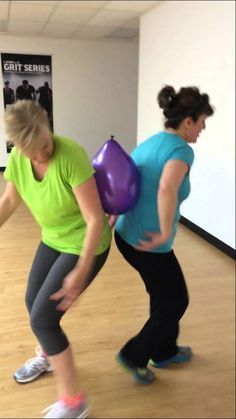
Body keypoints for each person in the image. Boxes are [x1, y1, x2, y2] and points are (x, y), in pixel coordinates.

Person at [0, 100, 112, 418]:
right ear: (18, 147)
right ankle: (50, 355)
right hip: (54, 238)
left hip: (86, 243)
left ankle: (75, 402)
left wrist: (82, 268)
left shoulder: (71, 155)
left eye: (45, 144)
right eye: (32, 150)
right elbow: (9, 201)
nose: (41, 154)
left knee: (43, 319)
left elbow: (94, 220)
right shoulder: (19, 161)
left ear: (49, 127)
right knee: (31, 301)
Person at [109, 85, 214, 384]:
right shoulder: (182, 149)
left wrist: (116, 213)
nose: (201, 130)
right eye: (201, 123)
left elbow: (127, 178)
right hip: (148, 241)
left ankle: (165, 350)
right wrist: (165, 231)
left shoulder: (150, 143)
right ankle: (134, 355)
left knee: (162, 294)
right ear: (188, 121)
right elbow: (167, 188)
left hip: (128, 235)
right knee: (176, 300)